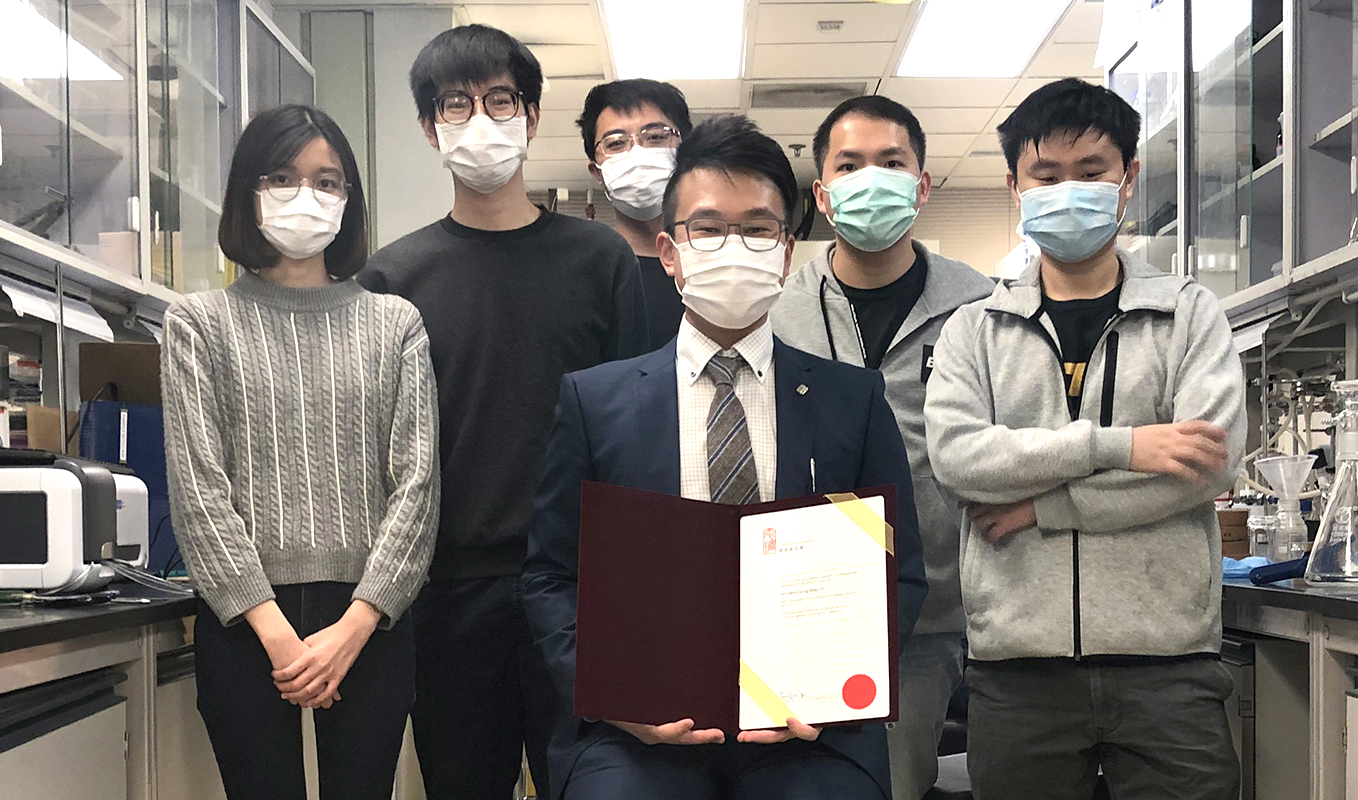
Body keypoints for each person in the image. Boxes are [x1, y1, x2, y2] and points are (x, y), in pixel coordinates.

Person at [524, 114, 928, 800]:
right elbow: (550, 576)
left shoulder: (852, 400)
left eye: (759, 229)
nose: (733, 247)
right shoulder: (596, 401)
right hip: (639, 731)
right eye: (708, 228)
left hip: (810, 732)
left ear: (786, 251)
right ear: (669, 251)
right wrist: (607, 695)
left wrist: (834, 694)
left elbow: (900, 573)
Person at [923, 78, 1244, 800]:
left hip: (1167, 663)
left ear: (1127, 178)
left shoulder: (1188, 315)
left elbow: (1202, 466)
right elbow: (960, 458)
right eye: (1046, 175)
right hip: (1018, 668)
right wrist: (1120, 447)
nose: (1068, 190)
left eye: (1091, 171)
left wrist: (1044, 508)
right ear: (1015, 187)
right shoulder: (974, 329)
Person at [357, 24, 648, 800]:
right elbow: (380, 456)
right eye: (456, 105)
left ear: (532, 115)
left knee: (595, 786)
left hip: (582, 591)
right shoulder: (391, 279)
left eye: (499, 100)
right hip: (446, 595)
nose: (480, 120)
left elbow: (634, 439)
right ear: (430, 128)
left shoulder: (600, 261)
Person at [162, 104, 439, 800]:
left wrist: (357, 624)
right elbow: (199, 493)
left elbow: (417, 485)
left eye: (327, 180)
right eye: (282, 178)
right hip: (244, 622)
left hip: (369, 621)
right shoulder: (197, 324)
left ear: (349, 199)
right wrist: (276, 635)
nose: (305, 195)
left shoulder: (395, 324)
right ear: (246, 193)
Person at [772, 95, 994, 800]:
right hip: (803, 613)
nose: (871, 178)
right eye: (850, 165)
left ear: (922, 185)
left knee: (899, 783)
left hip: (939, 615)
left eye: (891, 163)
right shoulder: (778, 311)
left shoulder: (981, 307)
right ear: (822, 194)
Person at [577, 78, 693, 349]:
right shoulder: (581, 274)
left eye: (655, 137)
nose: (637, 154)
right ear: (597, 172)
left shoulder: (714, 264)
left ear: (685, 154)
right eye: (616, 143)